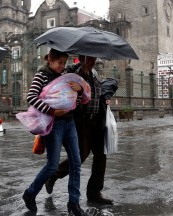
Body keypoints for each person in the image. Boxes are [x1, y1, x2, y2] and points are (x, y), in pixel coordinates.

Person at [22, 49, 87, 216]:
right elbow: (31, 97)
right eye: (59, 63)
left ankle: (74, 203)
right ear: (50, 60)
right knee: (52, 165)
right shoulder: (41, 75)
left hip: (69, 122)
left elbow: (73, 101)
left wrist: (79, 90)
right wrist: (51, 111)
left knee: (76, 163)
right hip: (54, 124)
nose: (62, 66)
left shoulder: (65, 75)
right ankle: (30, 193)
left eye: (64, 63)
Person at [45, 55, 114, 205]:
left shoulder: (94, 74)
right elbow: (65, 88)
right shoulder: (72, 71)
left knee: (101, 155)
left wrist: (104, 97)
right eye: (89, 59)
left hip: (97, 119)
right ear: (81, 58)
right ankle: (54, 174)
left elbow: (95, 92)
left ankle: (94, 193)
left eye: (94, 59)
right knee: (81, 155)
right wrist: (80, 70)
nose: (92, 62)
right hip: (81, 120)